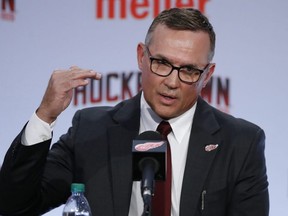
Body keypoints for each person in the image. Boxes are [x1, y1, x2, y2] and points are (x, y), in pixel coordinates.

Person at [0, 7, 269, 216]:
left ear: (207, 74)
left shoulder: (240, 143)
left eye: (188, 70)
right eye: (161, 63)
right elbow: (16, 206)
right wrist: (45, 115)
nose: (172, 82)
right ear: (141, 56)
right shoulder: (92, 131)